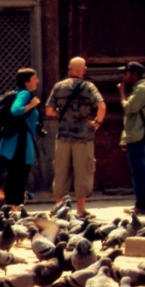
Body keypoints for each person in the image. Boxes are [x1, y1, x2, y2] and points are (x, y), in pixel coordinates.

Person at [46, 56, 105, 218]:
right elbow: (101, 106)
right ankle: (80, 210)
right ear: (84, 70)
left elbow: (49, 110)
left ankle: (59, 208)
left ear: (69, 69)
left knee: (61, 170)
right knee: (83, 171)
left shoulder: (59, 86)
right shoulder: (89, 87)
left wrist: (63, 115)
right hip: (84, 135)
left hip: (63, 134)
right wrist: (96, 123)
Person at [0, 68, 41, 209]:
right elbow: (16, 110)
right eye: (34, 78)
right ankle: (15, 206)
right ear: (27, 82)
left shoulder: (20, 93)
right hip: (20, 142)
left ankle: (13, 205)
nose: (37, 81)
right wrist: (32, 105)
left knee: (15, 174)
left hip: (16, 140)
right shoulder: (25, 94)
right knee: (18, 174)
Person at [118, 61, 145, 215]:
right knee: (141, 172)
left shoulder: (142, 89)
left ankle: (142, 205)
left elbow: (129, 108)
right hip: (138, 136)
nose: (124, 77)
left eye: (127, 73)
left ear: (134, 75)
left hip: (139, 136)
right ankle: (142, 203)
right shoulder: (140, 89)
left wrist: (121, 93)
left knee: (140, 173)